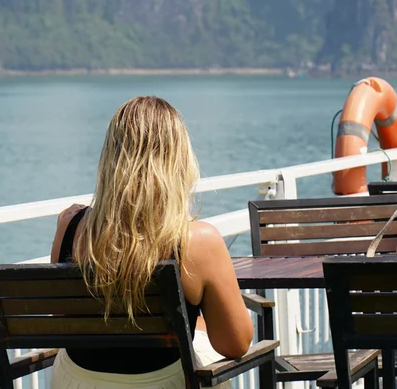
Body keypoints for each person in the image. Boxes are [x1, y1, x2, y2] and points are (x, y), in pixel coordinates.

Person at [49, 96, 253, 387]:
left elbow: (65, 317)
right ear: (178, 160)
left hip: (76, 381)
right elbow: (235, 345)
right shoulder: (198, 241)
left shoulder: (69, 225)